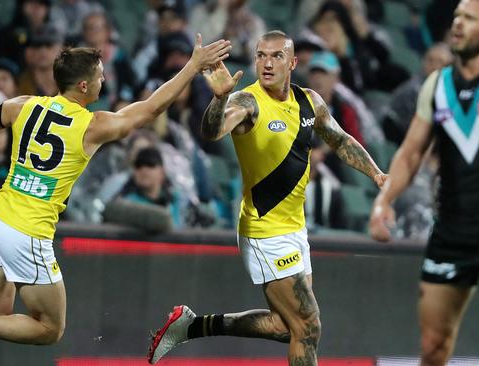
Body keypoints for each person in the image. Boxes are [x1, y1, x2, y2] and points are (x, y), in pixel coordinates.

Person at [0, 34, 232, 366]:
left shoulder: (25, 104)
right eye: (100, 76)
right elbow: (151, 108)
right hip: (27, 232)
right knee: (49, 328)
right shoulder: (92, 125)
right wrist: (192, 65)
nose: (104, 80)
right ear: (85, 87)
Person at [147, 30, 386, 366]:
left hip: (295, 228)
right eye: (261, 55)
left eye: (276, 56)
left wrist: (377, 174)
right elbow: (212, 132)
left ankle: (191, 326)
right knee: (308, 326)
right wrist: (218, 99)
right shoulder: (247, 102)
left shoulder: (310, 101)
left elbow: (341, 140)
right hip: (265, 230)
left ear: (293, 62)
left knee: (285, 327)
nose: (267, 63)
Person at [369, 0, 479, 365]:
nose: (457, 24)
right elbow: (411, 153)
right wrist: (384, 201)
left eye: (470, 18)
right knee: (433, 349)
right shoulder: (437, 85)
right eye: (457, 16)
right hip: (452, 231)